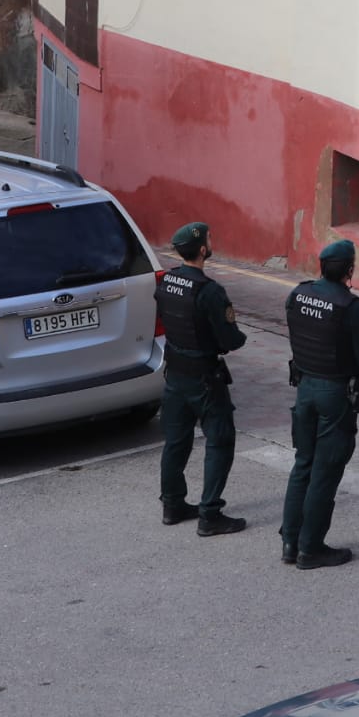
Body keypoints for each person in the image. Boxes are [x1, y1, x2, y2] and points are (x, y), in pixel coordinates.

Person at [280, 239, 359, 570]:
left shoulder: (298, 293)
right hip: (334, 395)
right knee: (325, 473)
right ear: (350, 269)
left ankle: (290, 541)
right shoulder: (350, 308)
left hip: (305, 388)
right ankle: (311, 549)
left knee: (303, 466)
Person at [155, 222, 248, 537]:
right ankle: (210, 514)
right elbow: (229, 339)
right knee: (220, 439)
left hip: (175, 373)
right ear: (204, 250)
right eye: (210, 237)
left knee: (176, 442)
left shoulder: (167, 281)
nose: (212, 240)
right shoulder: (209, 291)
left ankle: (172, 505)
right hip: (204, 378)